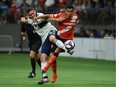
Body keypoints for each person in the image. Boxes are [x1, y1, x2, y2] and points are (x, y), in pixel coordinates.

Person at [21, 8, 72, 85]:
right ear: (28, 15)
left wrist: (36, 18)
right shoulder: (30, 20)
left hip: (51, 31)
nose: (33, 14)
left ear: (35, 11)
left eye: (33, 13)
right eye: (30, 14)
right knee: (43, 57)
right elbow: (22, 19)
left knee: (52, 38)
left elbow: (47, 17)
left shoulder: (40, 15)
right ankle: (45, 78)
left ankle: (68, 49)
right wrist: (26, 19)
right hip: (44, 38)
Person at [36, 4, 78, 83]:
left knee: (56, 52)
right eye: (68, 11)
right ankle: (54, 74)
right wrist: (58, 19)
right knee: (52, 55)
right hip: (59, 37)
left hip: (67, 40)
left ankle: (46, 68)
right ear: (65, 11)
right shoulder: (60, 15)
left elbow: (70, 25)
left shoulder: (75, 17)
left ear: (73, 12)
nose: (69, 13)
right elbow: (48, 17)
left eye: (71, 11)